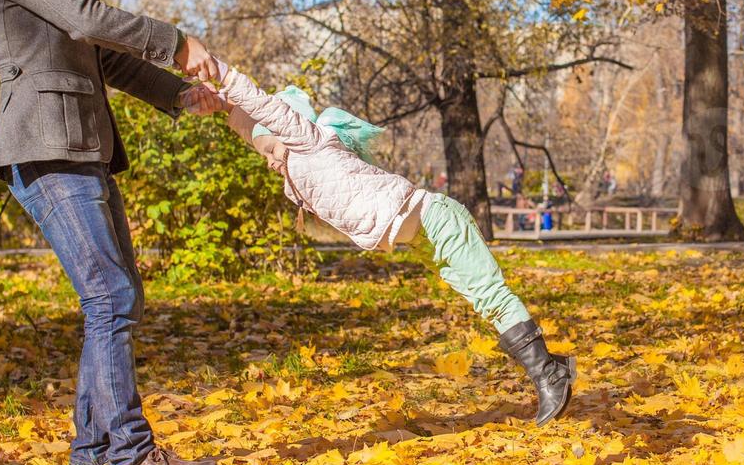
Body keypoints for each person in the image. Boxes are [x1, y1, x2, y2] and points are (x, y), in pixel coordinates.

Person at [0, 0, 225, 465]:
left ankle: (92, 455)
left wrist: (178, 95)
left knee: (117, 297)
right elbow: (85, 20)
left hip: (81, 145)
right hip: (46, 144)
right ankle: (131, 454)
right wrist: (174, 41)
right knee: (110, 295)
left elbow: (98, 55)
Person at [193, 65, 576, 426]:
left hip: (437, 220)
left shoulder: (306, 140)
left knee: (491, 295)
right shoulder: (293, 174)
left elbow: (258, 104)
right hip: (421, 241)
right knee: (481, 298)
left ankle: (548, 375)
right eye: (265, 157)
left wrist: (217, 72)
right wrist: (222, 105)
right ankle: (553, 369)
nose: (271, 160)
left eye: (272, 150)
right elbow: (251, 126)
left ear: (287, 128)